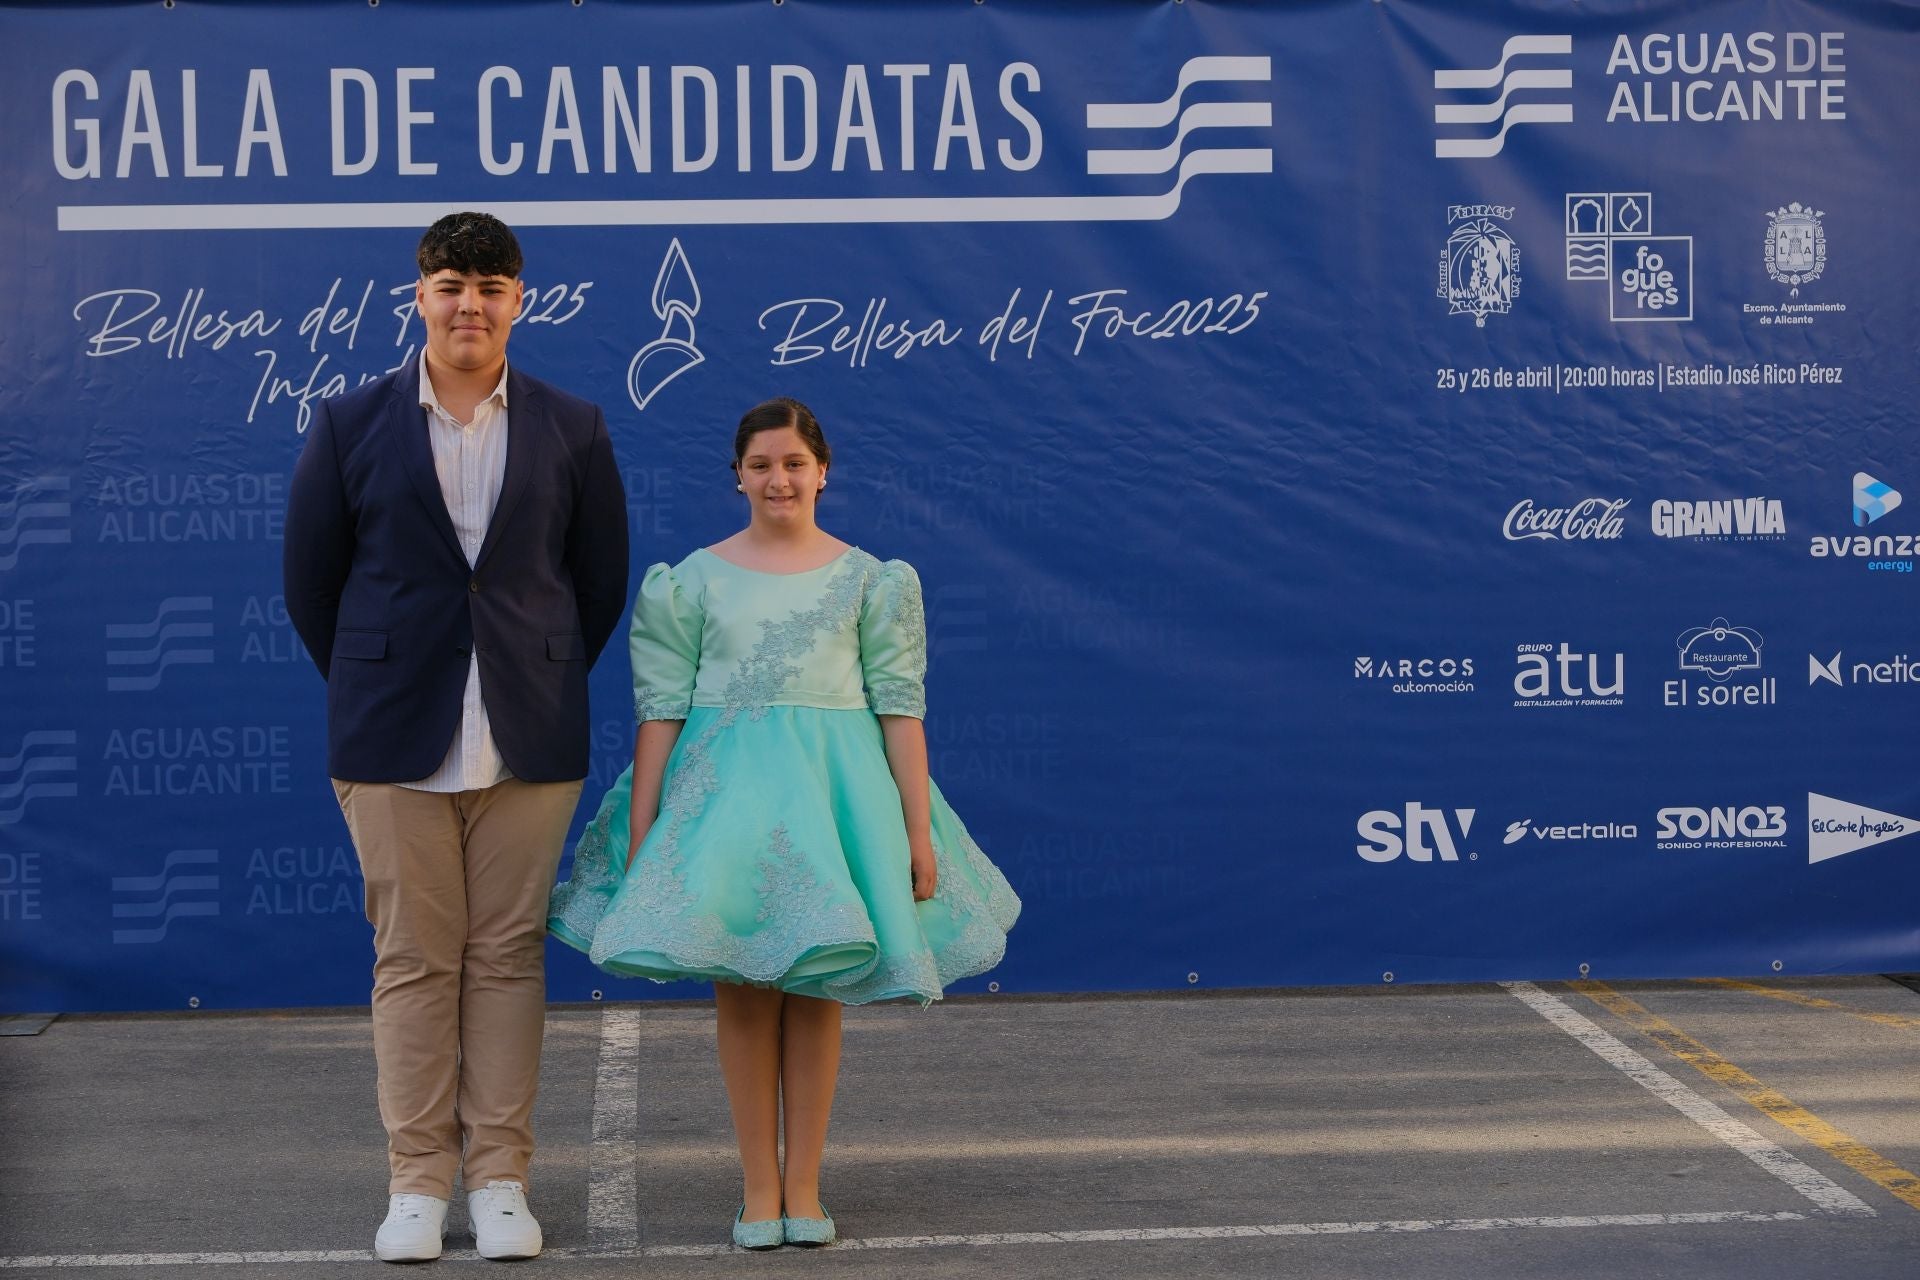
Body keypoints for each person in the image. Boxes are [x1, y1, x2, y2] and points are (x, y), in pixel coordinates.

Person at [549, 397, 1018, 1249]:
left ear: (823, 469)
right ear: (737, 474)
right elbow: (661, 710)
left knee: (816, 990)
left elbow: (899, 712)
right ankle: (757, 1186)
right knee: (743, 987)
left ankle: (805, 1184)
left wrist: (917, 830)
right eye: (761, 464)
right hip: (723, 804)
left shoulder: (873, 580)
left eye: (794, 463)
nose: (778, 479)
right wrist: (646, 824)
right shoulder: (689, 580)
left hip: (836, 806)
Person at [283, 212, 628, 1263]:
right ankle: (418, 1183)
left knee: (508, 958)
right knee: (415, 961)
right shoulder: (348, 421)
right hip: (392, 737)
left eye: (488, 284)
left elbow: (597, 584)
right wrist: (378, 678)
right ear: (418, 295)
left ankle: (503, 1181)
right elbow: (313, 585)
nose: (468, 302)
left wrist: (535, 667)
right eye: (448, 283)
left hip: (529, 734)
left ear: (520, 299)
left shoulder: (575, 426)